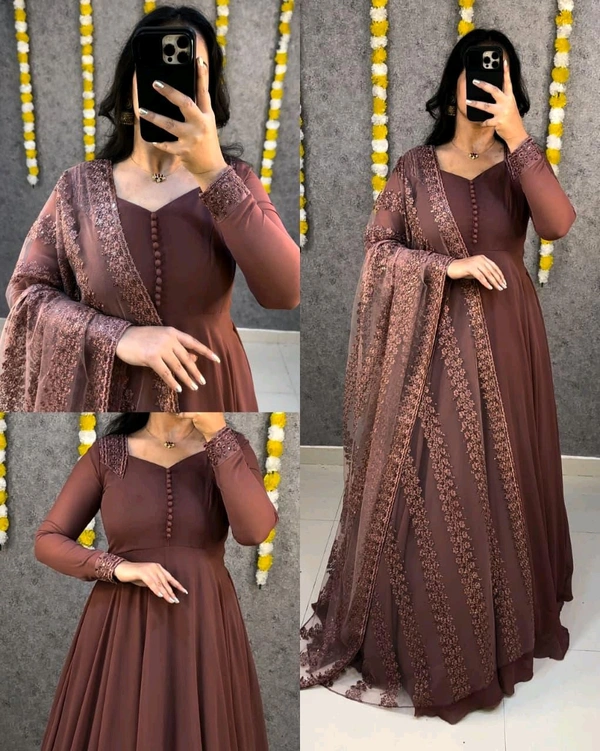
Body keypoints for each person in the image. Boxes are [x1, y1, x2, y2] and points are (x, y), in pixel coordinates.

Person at [300, 29, 576, 724]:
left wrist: (519, 136)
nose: (485, 85)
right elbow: (377, 248)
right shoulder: (415, 168)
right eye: (476, 72)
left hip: (507, 347)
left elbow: (558, 223)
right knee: (435, 481)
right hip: (427, 353)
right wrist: (444, 267)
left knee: (501, 477)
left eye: (500, 76)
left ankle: (502, 624)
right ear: (452, 82)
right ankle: (431, 638)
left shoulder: (519, 164)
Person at [0, 6, 300, 412]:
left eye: (191, 72)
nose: (170, 86)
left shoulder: (235, 181)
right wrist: (117, 337)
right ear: (130, 87)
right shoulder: (77, 188)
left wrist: (212, 173)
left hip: (208, 392)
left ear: (209, 88)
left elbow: (286, 292)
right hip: (104, 395)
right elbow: (27, 294)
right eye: (154, 70)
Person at [35, 411, 277, 750]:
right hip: (122, 625)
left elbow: (254, 531)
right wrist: (116, 567)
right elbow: (47, 540)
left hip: (203, 622)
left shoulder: (230, 447)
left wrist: (217, 434)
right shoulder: (108, 453)